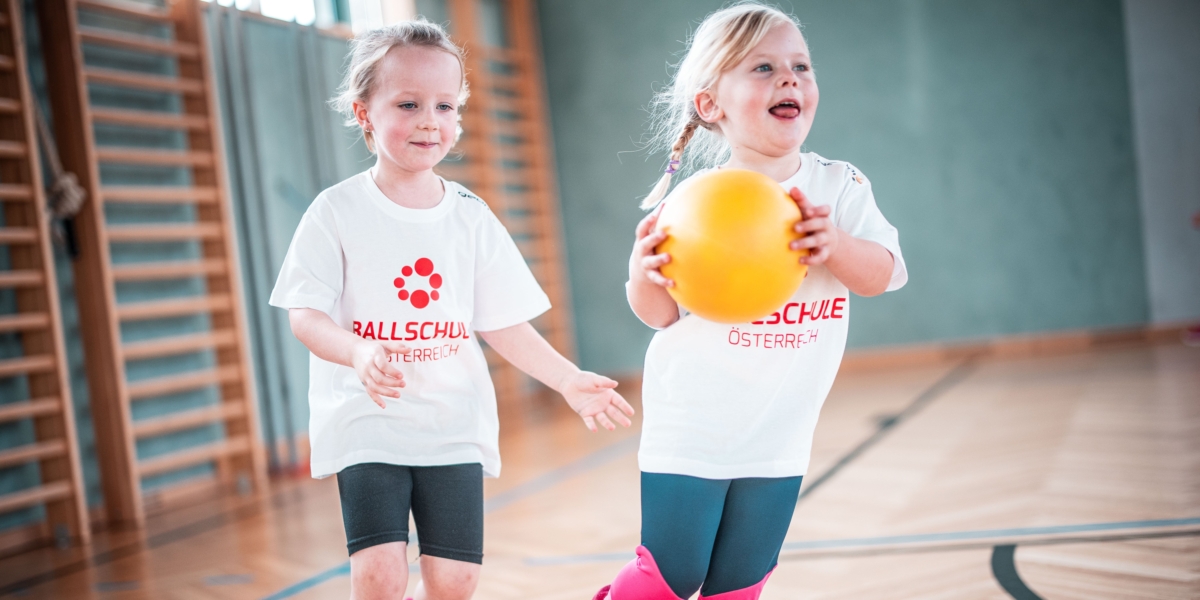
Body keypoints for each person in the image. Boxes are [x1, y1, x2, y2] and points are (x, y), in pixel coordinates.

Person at [268, 20, 635, 600]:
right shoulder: (334, 212)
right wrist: (358, 351)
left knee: (455, 582)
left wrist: (568, 380)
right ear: (364, 112)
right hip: (368, 421)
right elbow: (304, 315)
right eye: (408, 104)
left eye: (445, 105)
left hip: (451, 426)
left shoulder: (470, 215)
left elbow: (502, 323)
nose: (429, 121)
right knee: (379, 576)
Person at [596, 4, 908, 599]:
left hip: (781, 427)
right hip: (694, 420)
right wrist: (642, 272)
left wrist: (834, 245)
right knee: (673, 573)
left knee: (740, 583)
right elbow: (659, 315)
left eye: (800, 66)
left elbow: (883, 275)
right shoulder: (695, 205)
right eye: (762, 68)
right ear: (711, 104)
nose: (789, 78)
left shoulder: (839, 187)